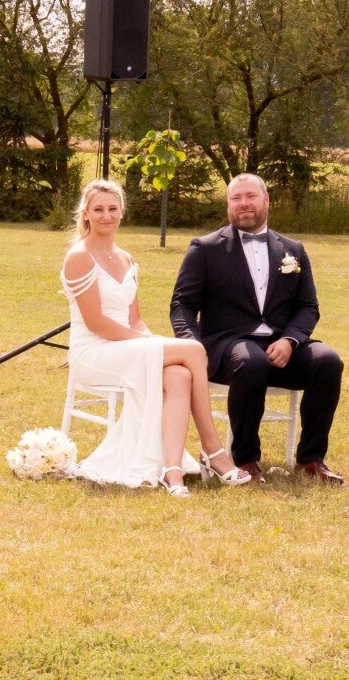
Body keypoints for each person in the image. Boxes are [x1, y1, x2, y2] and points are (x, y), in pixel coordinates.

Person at [63, 179, 251, 495]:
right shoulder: (79, 255)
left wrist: (148, 340)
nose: (106, 215)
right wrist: (149, 345)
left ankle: (172, 471)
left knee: (178, 375)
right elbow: (96, 323)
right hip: (94, 352)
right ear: (85, 214)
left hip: (124, 347)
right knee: (193, 350)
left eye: (113, 208)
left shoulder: (125, 258)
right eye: (98, 209)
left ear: (122, 212)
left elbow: (134, 319)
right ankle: (214, 451)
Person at [170, 174, 344, 485]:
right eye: (236, 198)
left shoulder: (293, 249)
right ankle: (245, 458)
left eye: (250, 196)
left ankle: (310, 458)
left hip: (283, 347)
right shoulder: (205, 248)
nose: (244, 204)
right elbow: (182, 305)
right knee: (252, 362)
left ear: (266, 201)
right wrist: (192, 347)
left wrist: (290, 340)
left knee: (328, 361)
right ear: (228, 206)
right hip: (230, 348)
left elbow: (308, 306)